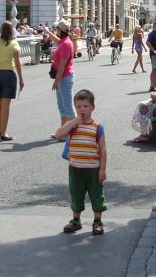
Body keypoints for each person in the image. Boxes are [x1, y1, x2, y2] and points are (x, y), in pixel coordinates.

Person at [55, 89, 107, 236]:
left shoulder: (97, 127)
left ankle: (97, 221)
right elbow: (59, 134)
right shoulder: (73, 126)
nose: (82, 109)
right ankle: (76, 220)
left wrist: (102, 169)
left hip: (93, 169)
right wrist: (73, 122)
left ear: (92, 107)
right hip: (76, 168)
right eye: (78, 106)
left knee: (97, 195)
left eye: (85, 106)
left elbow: (102, 149)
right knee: (76, 194)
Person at [45, 20, 76, 139]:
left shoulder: (66, 44)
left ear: (60, 30)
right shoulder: (64, 41)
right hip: (63, 77)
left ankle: (72, 133)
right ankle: (63, 132)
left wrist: (56, 81)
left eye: (56, 29)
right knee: (62, 106)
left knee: (68, 107)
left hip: (64, 77)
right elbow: (57, 41)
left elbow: (62, 65)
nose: (55, 31)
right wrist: (48, 32)